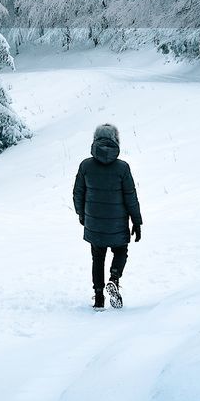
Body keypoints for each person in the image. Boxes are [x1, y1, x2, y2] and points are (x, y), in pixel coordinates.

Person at [72, 123, 142, 310]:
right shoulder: (122, 168)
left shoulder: (86, 165)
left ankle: (98, 298)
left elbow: (78, 193)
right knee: (120, 251)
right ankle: (114, 277)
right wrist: (136, 221)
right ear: (116, 141)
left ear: (95, 140)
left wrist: (81, 215)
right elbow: (131, 197)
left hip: (94, 222)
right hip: (118, 223)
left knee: (98, 258)